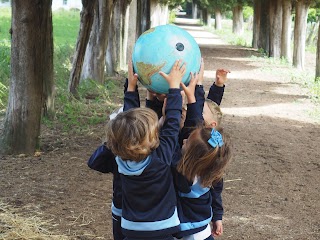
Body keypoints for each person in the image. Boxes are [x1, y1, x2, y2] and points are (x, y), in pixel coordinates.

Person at [105, 59, 196, 240]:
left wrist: (131, 88)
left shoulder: (120, 158)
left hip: (130, 229)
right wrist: (174, 87)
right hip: (162, 228)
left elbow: (128, 123)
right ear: (151, 138)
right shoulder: (161, 159)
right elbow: (172, 125)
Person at [171, 61, 231, 240]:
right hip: (202, 228)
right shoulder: (213, 155)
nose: (190, 108)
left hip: (184, 229)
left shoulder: (181, 161)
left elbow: (196, 119)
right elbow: (208, 110)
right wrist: (217, 86)